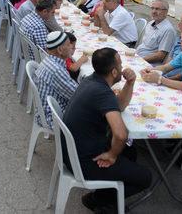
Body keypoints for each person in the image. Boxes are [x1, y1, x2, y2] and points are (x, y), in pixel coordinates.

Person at [63, 48, 152, 212]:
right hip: (83, 162)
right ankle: (98, 199)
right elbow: (121, 134)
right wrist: (111, 155)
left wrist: (130, 83)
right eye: (120, 63)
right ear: (113, 71)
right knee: (146, 177)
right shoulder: (103, 92)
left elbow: (119, 106)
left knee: (130, 152)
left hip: (72, 151)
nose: (123, 66)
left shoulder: (91, 80)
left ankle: (109, 193)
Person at [34, 31, 78, 128]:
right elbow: (78, 96)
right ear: (60, 50)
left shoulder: (49, 60)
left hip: (45, 111)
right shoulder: (56, 70)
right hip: (52, 117)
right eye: (68, 44)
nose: (71, 47)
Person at [136, 0, 176, 66]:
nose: (154, 11)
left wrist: (140, 60)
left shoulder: (168, 30)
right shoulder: (150, 23)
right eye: (152, 8)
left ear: (166, 12)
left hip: (148, 63)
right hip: (138, 56)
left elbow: (160, 56)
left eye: (157, 9)